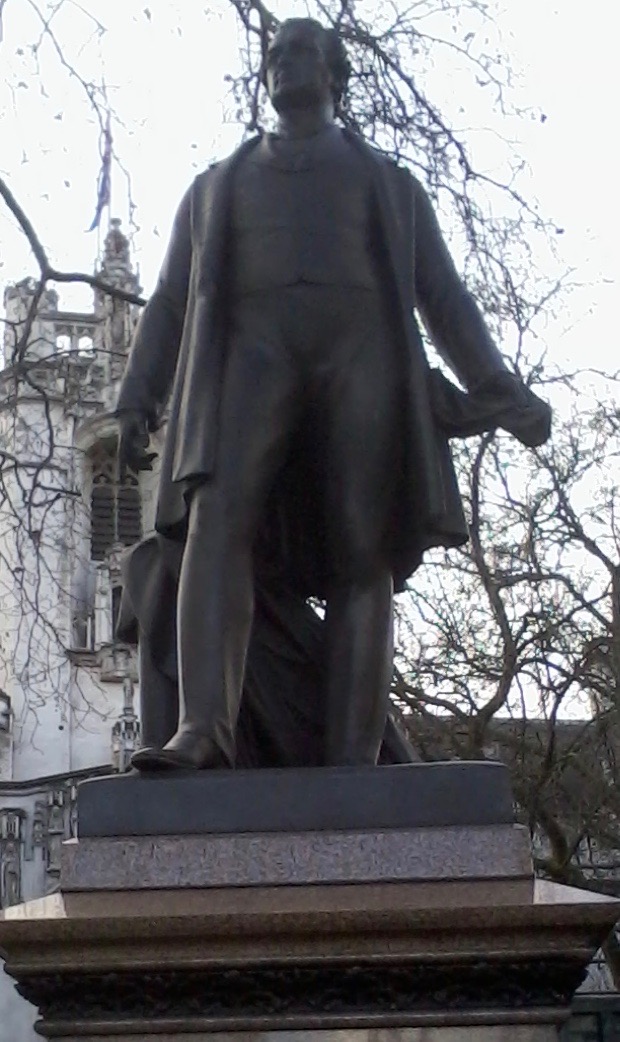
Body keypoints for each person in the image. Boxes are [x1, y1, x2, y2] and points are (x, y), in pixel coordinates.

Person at [116, 18, 550, 771]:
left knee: (363, 551)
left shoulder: (391, 185)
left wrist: (494, 385)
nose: (283, 63)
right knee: (215, 519)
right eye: (274, 54)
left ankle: (354, 761)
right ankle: (203, 730)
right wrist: (136, 398)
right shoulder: (215, 188)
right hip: (249, 359)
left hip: (362, 360)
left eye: (301, 51)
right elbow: (169, 302)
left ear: (336, 74)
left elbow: (443, 296)